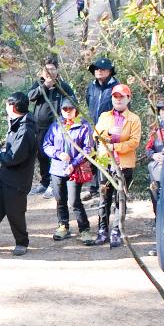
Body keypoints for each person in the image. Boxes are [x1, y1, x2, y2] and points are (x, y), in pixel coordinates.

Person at [0, 93, 40, 255]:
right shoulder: (16, 123)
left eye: (7, 105)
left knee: (15, 212)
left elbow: (13, 157)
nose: (5, 108)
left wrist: (1, 155)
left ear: (13, 107)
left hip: (18, 180)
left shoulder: (25, 129)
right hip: (6, 176)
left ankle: (22, 241)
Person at [94, 84, 141, 247]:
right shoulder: (104, 116)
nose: (118, 99)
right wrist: (107, 137)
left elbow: (134, 141)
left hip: (124, 164)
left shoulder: (134, 119)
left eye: (122, 96)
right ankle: (102, 231)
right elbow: (96, 134)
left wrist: (116, 146)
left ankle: (116, 231)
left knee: (119, 199)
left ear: (129, 98)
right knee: (103, 198)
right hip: (105, 162)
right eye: (116, 96)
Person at [43, 99, 96, 244]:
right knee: (60, 200)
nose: (67, 111)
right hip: (57, 169)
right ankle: (63, 226)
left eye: (70, 109)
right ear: (61, 110)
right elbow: (46, 144)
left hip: (75, 170)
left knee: (74, 201)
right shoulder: (56, 126)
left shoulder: (84, 126)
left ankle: (84, 230)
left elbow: (88, 149)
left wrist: (74, 163)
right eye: (64, 109)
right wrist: (58, 153)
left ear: (75, 110)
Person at [27, 55, 76, 198]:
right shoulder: (38, 84)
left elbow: (72, 102)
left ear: (57, 70)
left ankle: (54, 185)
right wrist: (45, 87)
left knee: (57, 154)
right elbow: (30, 97)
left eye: (52, 69)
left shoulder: (63, 86)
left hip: (58, 128)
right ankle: (44, 182)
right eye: (47, 69)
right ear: (42, 72)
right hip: (40, 126)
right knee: (41, 154)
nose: (50, 72)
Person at [85, 57, 118, 124]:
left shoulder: (117, 88)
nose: (99, 70)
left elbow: (124, 112)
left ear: (110, 71)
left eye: (103, 68)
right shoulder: (91, 87)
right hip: (93, 129)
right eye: (96, 68)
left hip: (110, 129)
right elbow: (89, 104)